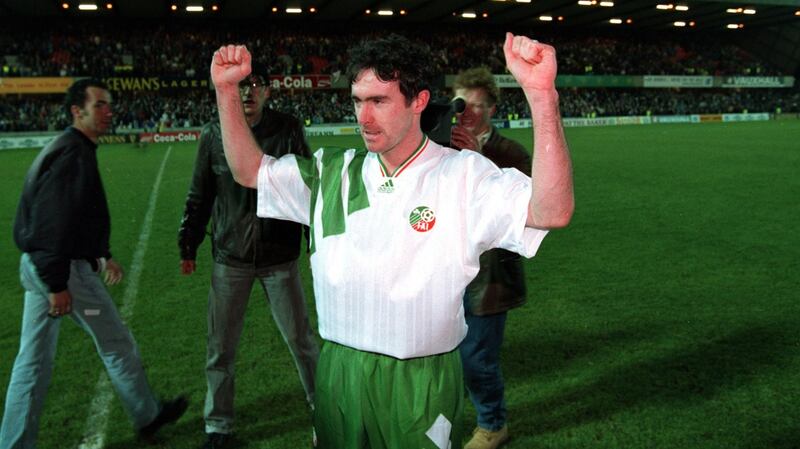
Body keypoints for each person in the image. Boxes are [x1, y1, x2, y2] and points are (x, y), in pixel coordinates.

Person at [210, 32, 574, 449]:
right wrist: (225, 89)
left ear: (418, 101)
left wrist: (543, 96)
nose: (363, 117)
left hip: (420, 380)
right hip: (337, 373)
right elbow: (250, 171)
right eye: (357, 101)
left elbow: (551, 211)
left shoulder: (464, 176)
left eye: (378, 101)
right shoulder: (332, 173)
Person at [1, 78, 188, 449]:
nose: (109, 111)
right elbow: (52, 223)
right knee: (116, 343)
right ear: (77, 110)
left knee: (32, 360)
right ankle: (147, 415)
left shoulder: (69, 148)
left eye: (109, 104)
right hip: (61, 270)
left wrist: (100, 255)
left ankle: (14, 442)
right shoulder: (73, 154)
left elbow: (73, 218)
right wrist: (57, 284)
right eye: (100, 105)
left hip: (42, 265)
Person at [178, 63, 319, 449]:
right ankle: (218, 426)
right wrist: (187, 243)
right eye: (240, 85)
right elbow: (199, 195)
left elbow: (307, 187)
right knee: (220, 348)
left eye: (255, 85)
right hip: (230, 259)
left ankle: (324, 408)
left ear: (268, 91)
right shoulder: (212, 134)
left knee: (302, 340)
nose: (247, 92)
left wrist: (315, 244)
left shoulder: (288, 129)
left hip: (280, 258)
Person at [450, 67, 530, 449]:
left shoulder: (511, 153)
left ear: (493, 108)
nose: (472, 113)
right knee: (441, 355)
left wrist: (480, 160)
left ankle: (493, 424)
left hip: (488, 280)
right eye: (465, 104)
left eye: (481, 105)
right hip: (444, 273)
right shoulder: (441, 150)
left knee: (477, 359)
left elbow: (524, 214)